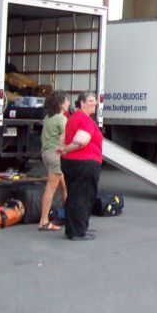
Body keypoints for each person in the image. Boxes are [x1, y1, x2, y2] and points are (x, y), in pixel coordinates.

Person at [56, 91, 103, 241]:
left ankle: (73, 228)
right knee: (83, 197)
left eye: (95, 100)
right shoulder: (85, 120)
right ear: (82, 103)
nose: (94, 103)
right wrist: (65, 149)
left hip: (71, 163)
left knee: (74, 196)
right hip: (84, 163)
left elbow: (62, 137)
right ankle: (78, 231)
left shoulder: (73, 118)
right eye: (91, 100)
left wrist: (63, 149)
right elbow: (80, 141)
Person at [37, 90, 70, 231]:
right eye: (67, 101)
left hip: (46, 153)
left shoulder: (48, 117)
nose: (69, 103)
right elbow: (67, 136)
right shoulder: (61, 119)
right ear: (61, 103)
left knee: (64, 186)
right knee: (51, 188)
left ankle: (67, 216)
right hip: (55, 155)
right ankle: (44, 221)